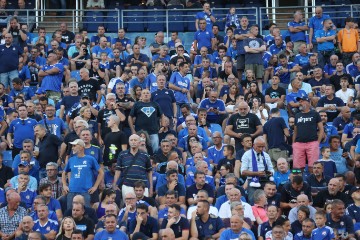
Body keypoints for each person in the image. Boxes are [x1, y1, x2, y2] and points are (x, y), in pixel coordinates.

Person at [62, 139, 104, 208]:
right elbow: (64, 173)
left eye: (75, 146)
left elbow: (101, 173)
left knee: (85, 213)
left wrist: (95, 186)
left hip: (85, 191)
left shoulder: (90, 159)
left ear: (81, 147)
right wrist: (64, 185)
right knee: (71, 212)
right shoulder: (71, 160)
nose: (72, 148)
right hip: (72, 191)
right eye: (72, 146)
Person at [112, 134, 153, 201]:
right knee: (129, 206)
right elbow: (118, 170)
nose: (133, 142)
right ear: (129, 142)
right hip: (127, 185)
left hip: (142, 186)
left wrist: (151, 187)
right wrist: (114, 184)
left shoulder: (145, 155)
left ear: (139, 142)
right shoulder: (122, 154)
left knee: (143, 207)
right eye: (131, 140)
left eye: (135, 140)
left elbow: (149, 171)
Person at [293, 96, 323, 173]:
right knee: (297, 168)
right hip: (299, 143)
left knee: (313, 166)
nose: (300, 103)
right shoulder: (297, 115)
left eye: (302, 101)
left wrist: (317, 142)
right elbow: (295, 131)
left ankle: (312, 183)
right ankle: (297, 183)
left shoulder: (315, 114)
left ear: (308, 102)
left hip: (312, 143)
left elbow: (321, 129)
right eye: (299, 101)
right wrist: (293, 143)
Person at [241, 136, 274, 203]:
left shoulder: (266, 155)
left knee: (267, 201)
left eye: (263, 147)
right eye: (259, 146)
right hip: (252, 180)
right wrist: (256, 173)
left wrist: (270, 173)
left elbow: (271, 169)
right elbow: (243, 172)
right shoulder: (247, 155)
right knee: (253, 201)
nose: (261, 149)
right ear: (254, 145)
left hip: (265, 180)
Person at [243, 25, 266, 91]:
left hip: (259, 62)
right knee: (249, 79)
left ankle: (260, 95)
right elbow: (247, 50)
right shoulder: (246, 40)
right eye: (256, 29)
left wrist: (252, 49)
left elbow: (264, 48)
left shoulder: (260, 39)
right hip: (249, 62)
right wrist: (258, 50)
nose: (257, 31)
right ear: (252, 30)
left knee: (259, 79)